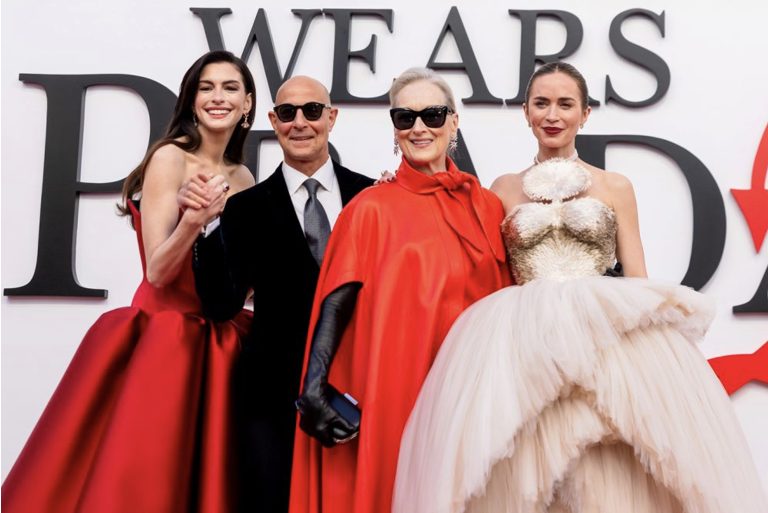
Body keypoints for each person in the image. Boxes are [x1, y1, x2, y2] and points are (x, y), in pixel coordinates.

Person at [393, 62, 768, 513]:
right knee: (525, 470)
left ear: (585, 113)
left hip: (601, 345)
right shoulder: (501, 189)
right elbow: (463, 238)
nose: (552, 115)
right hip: (526, 345)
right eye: (541, 103)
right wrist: (394, 187)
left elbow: (637, 276)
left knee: (610, 469)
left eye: (565, 104)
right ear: (526, 113)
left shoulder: (615, 186)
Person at [2, 50, 256, 513]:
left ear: (248, 104)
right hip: (165, 340)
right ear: (191, 100)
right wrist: (194, 221)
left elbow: (243, 277)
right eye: (206, 88)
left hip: (220, 343)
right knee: (145, 481)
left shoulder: (243, 177)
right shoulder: (170, 159)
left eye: (229, 88)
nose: (217, 97)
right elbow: (158, 269)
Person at [288, 67, 511, 513]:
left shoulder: (487, 206)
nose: (419, 127)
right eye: (405, 118)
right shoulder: (370, 207)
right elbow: (336, 298)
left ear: (454, 122)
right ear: (394, 128)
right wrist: (314, 386)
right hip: (397, 388)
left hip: (473, 393)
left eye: (432, 115)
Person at [186, 76, 373, 512]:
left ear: (332, 117)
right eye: (287, 113)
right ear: (273, 121)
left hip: (359, 388)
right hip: (272, 400)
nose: (300, 123)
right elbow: (220, 304)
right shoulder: (243, 207)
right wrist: (203, 225)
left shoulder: (371, 196)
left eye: (312, 111)